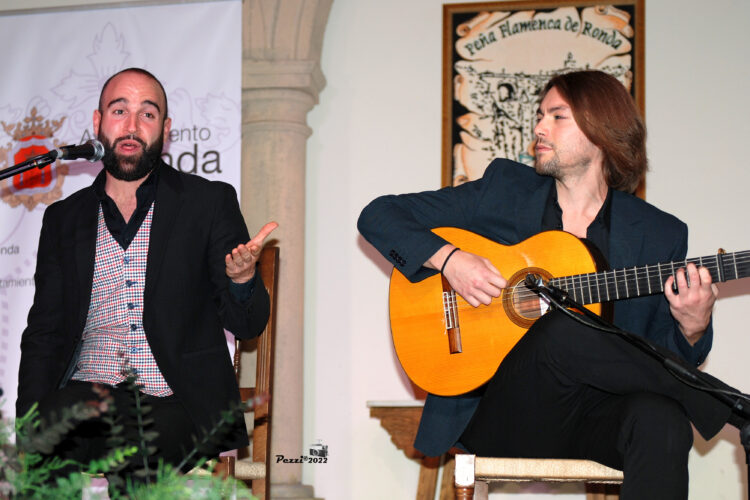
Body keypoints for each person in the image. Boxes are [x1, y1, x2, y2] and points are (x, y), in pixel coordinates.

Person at [358, 70, 743, 499]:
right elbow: (378, 215)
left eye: (557, 116)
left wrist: (691, 326)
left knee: (663, 419)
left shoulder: (657, 233)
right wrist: (450, 260)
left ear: (602, 132)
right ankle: (736, 410)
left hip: (596, 419)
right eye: (540, 115)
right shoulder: (504, 191)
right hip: (501, 414)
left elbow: (653, 357)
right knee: (563, 322)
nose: (539, 128)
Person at [16, 67, 275, 478]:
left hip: (179, 402)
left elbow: (248, 324)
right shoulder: (64, 219)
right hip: (89, 396)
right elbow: (44, 334)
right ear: (98, 122)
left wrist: (242, 281)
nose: (132, 125)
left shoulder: (208, 203)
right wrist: (27, 424)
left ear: (165, 129)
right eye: (119, 111)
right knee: (44, 434)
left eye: (148, 114)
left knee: (138, 448)